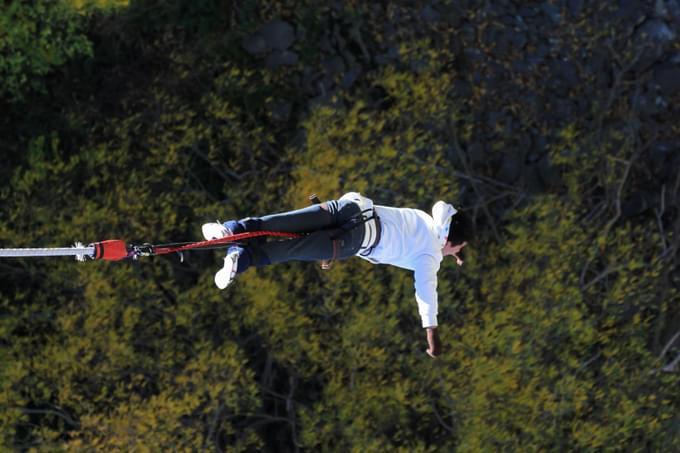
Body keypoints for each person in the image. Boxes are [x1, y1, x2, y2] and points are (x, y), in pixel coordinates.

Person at [201, 192, 471, 358]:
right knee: (290, 249)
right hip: (351, 240)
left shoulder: (425, 219)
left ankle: (232, 230)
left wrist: (453, 252)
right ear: (450, 241)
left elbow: (441, 229)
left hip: (352, 208)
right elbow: (425, 290)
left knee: (282, 221)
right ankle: (242, 259)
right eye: (458, 247)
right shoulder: (431, 257)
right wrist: (431, 332)